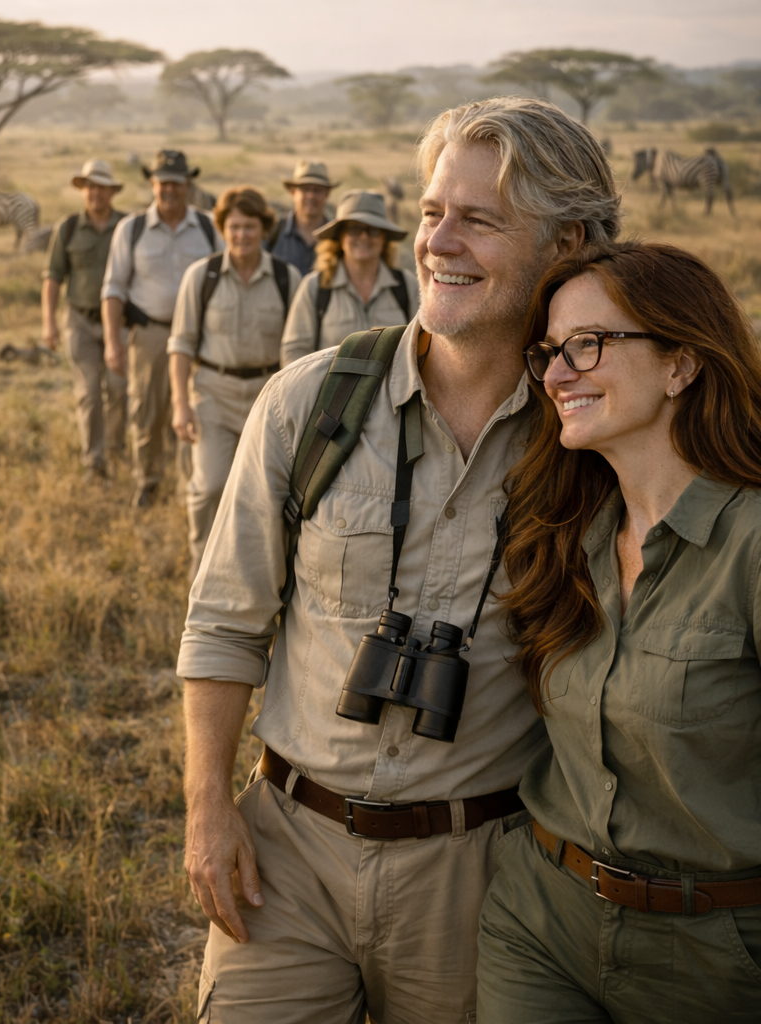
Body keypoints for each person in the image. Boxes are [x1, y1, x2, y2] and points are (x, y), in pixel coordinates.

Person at [178, 97, 620, 1024]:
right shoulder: (313, 404)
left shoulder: (598, 441)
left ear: (569, 244)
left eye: (479, 220)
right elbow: (224, 623)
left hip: (481, 869)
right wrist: (209, 811)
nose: (438, 242)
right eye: (431, 212)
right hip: (287, 857)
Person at [477, 241, 761, 1023]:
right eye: (549, 354)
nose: (558, 375)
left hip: (717, 959)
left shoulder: (752, 545)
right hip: (542, 924)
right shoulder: (567, 533)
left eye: (588, 345)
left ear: (682, 364)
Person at [168, 186, 302, 579]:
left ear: (263, 228)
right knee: (209, 486)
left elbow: (296, 349)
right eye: (234, 227)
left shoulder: (285, 278)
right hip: (213, 393)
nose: (242, 235)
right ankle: (202, 572)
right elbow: (180, 345)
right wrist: (180, 402)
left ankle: (254, 575)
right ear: (222, 229)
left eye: (250, 227)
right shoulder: (202, 276)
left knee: (266, 493)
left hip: (267, 398)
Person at [101, 149, 222, 507]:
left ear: (188, 184)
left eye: (176, 182)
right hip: (151, 334)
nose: (169, 189)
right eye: (162, 182)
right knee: (147, 409)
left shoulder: (208, 226)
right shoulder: (132, 229)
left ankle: (192, 482)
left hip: (201, 335)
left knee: (196, 408)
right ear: (152, 184)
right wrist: (112, 341)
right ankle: (148, 480)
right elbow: (113, 288)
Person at [41, 159, 127, 477]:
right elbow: (52, 277)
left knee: (119, 389)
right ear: (83, 190)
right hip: (79, 319)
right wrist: (49, 322)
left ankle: (117, 450)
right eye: (90, 187)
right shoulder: (68, 228)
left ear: (111, 192)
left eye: (102, 187)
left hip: (119, 324)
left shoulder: (127, 226)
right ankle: (94, 459)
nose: (96, 193)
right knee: (89, 392)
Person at [279, 189, 419, 367]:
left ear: (384, 237)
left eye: (373, 230)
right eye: (354, 229)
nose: (364, 237)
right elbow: (294, 350)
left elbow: (423, 347)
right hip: (331, 394)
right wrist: (316, 390)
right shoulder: (316, 287)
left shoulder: (406, 286)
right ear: (340, 236)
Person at [266, 160, 338, 277]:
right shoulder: (273, 232)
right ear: (293, 192)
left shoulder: (337, 237)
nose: (311, 196)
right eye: (305, 189)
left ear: (327, 194)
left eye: (317, 190)